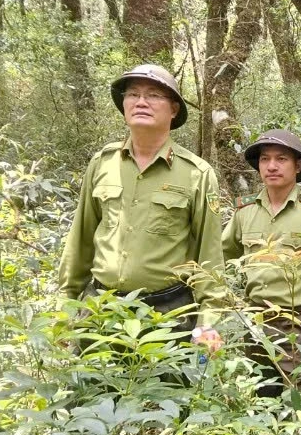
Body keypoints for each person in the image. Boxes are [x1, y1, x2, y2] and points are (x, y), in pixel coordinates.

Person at [59, 64, 226, 351]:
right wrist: (64, 307)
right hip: (101, 312)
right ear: (123, 104)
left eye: (153, 95)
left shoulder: (197, 173)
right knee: (90, 394)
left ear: (173, 109)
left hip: (166, 315)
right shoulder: (103, 163)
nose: (141, 102)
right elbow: (81, 240)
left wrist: (208, 321)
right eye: (132, 94)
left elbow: (208, 255)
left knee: (165, 395)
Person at [222, 129, 301, 395]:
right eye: (265, 159)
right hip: (257, 322)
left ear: (298, 166)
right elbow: (222, 255)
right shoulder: (245, 211)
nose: (272, 166)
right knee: (261, 395)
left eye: (281, 159)